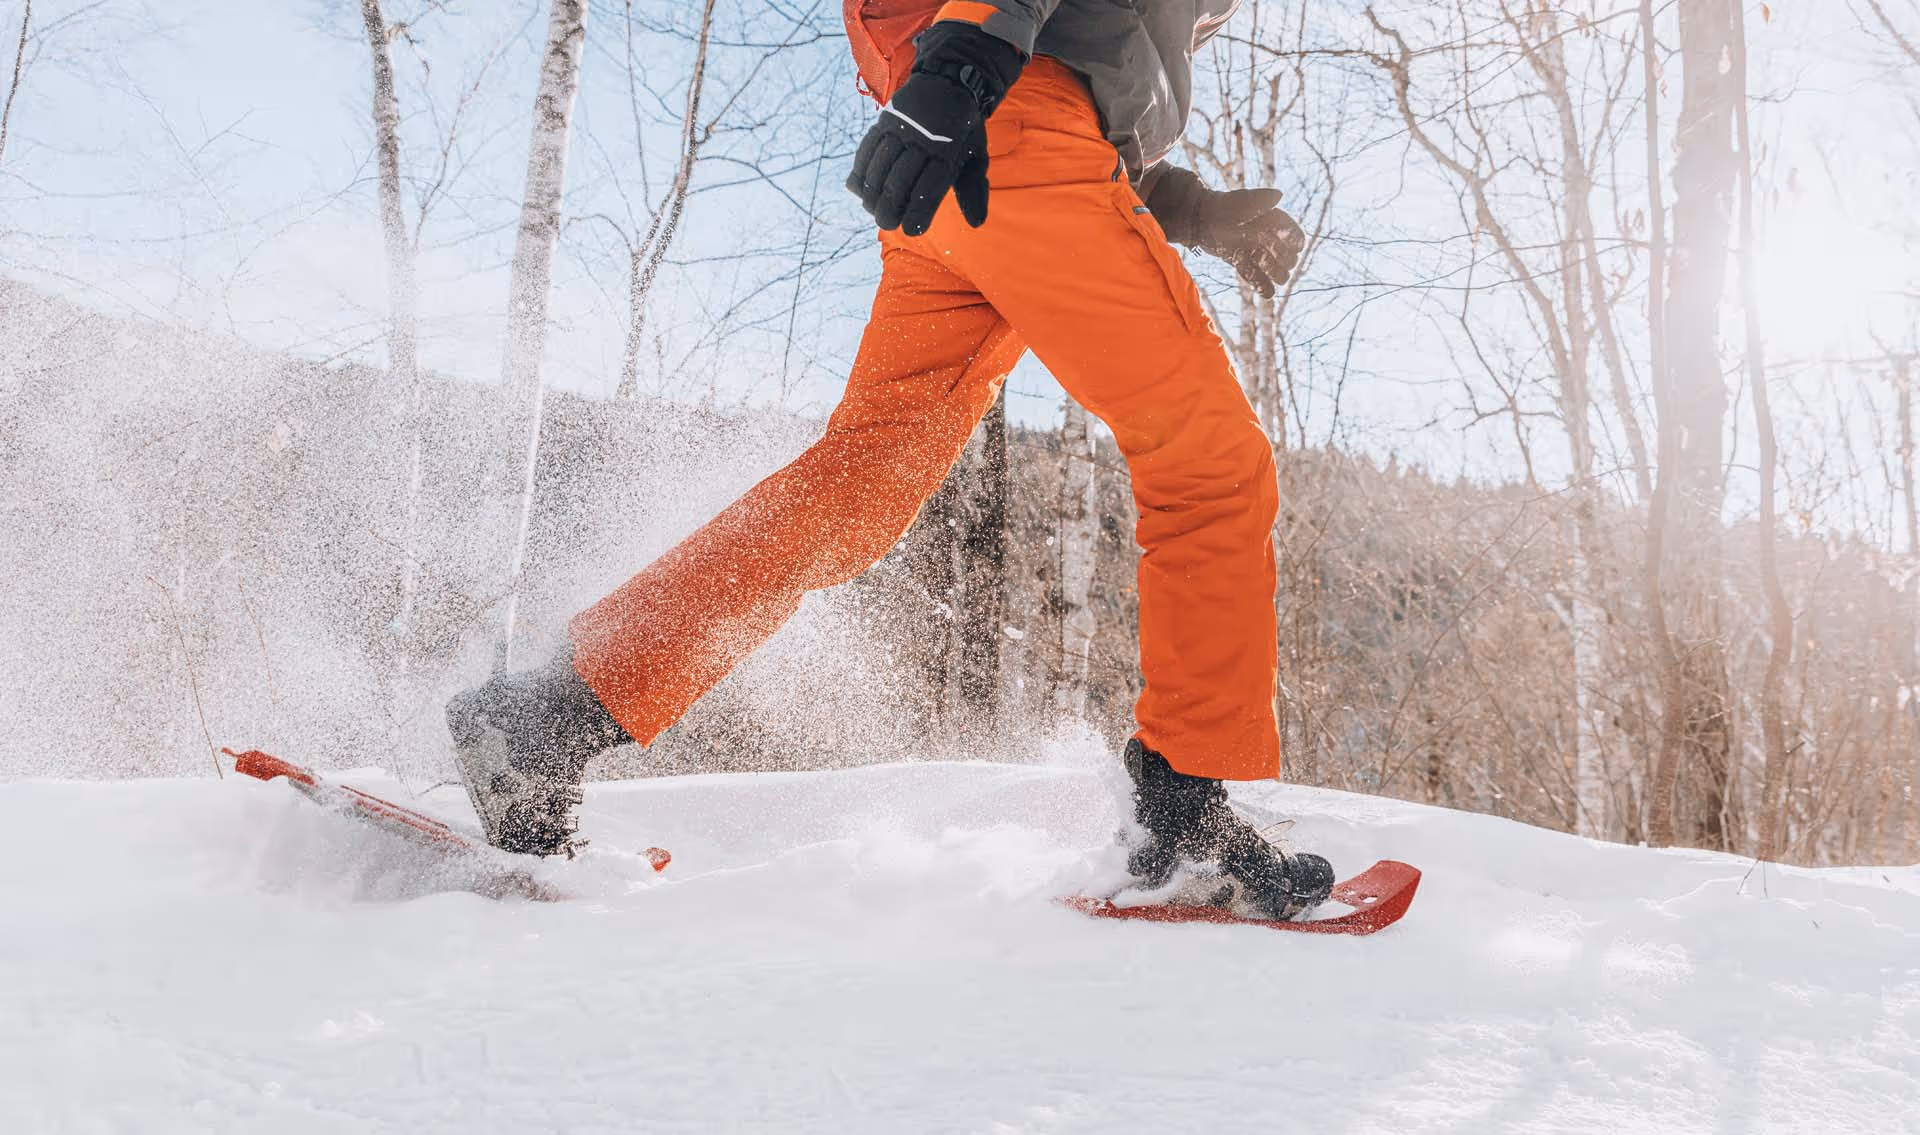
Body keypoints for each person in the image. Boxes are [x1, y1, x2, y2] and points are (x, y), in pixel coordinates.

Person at [447, 0, 1336, 920]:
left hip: (965, 162)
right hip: (1001, 120)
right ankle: (1186, 815)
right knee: (1210, 461)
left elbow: (1084, 84)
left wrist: (1188, 207)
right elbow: (1054, 98)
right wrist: (968, 59)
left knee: (853, 493)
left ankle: (549, 717)